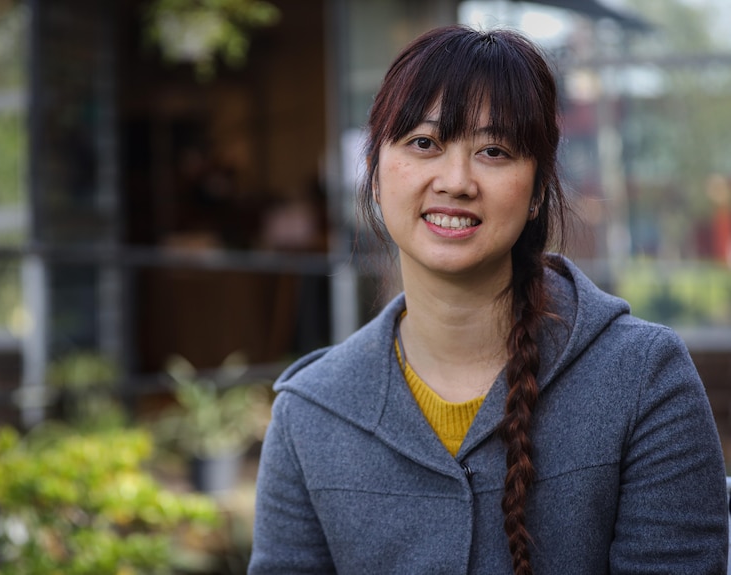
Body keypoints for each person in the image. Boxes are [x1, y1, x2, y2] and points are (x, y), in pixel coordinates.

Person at [248, 25, 729, 574]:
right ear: (376, 174)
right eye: (424, 143)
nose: (456, 181)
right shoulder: (310, 413)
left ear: (538, 191)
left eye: (494, 150)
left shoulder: (644, 380)